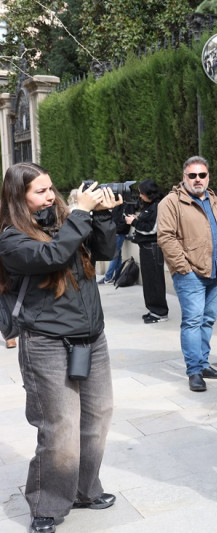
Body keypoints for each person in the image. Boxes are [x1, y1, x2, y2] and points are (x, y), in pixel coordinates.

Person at [0, 163, 121, 533]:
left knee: (97, 418)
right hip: (46, 343)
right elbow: (51, 257)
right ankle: (47, 506)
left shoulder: (65, 221)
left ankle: (85, 489)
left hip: (91, 337)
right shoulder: (10, 238)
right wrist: (81, 214)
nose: (50, 196)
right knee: (60, 429)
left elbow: (105, 250)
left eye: (51, 188)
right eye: (40, 191)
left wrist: (101, 216)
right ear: (19, 198)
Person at [157, 156, 217, 392]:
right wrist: (183, 268)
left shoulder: (216, 201)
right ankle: (194, 371)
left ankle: (204, 363)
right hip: (191, 274)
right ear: (184, 177)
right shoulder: (170, 202)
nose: (198, 179)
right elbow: (165, 237)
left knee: (208, 319)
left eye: (202, 175)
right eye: (192, 175)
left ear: (208, 176)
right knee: (192, 321)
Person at [124, 179, 169, 323]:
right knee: (149, 281)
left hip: (153, 248)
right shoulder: (149, 206)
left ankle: (160, 312)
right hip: (146, 248)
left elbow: (152, 228)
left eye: (141, 193)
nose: (140, 195)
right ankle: (154, 310)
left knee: (155, 281)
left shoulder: (158, 206)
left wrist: (134, 222)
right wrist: (136, 219)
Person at [99, 203, 130, 284]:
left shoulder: (127, 204)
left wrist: (117, 230)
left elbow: (125, 219)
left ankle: (108, 277)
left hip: (119, 232)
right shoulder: (119, 203)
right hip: (116, 231)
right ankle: (117, 276)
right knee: (117, 254)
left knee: (114, 254)